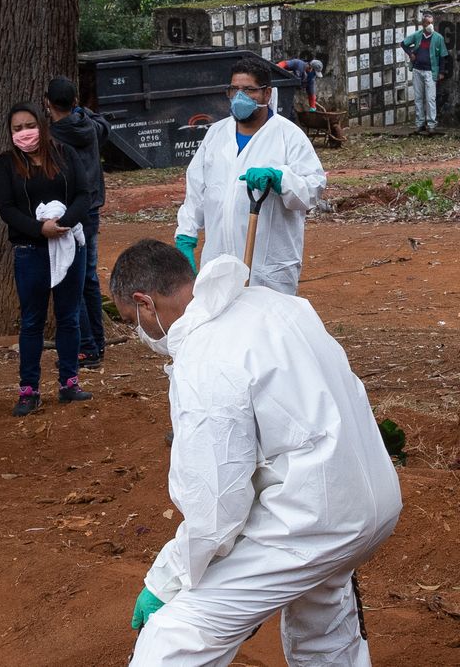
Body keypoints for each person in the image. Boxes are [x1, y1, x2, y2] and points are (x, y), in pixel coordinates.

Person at [110, 239, 402, 666]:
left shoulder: (206, 358)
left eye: (131, 319)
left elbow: (216, 509)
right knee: (322, 619)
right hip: (368, 499)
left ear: (145, 303)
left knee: (177, 635)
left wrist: (165, 578)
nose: (140, 332)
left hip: (312, 519)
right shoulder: (275, 305)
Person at [174, 56, 326, 295]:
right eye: (234, 89)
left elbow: (312, 190)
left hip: (268, 266)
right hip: (219, 259)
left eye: (249, 90)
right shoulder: (216, 135)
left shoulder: (288, 136)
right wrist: (186, 235)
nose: (240, 96)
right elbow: (197, 191)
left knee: (267, 328)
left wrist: (280, 179)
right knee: (220, 327)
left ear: (267, 94)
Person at [0, 102, 92, 417]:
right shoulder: (5, 164)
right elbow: (7, 209)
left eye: (29, 125)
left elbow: (83, 195)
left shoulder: (64, 154)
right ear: (10, 133)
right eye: (17, 128)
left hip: (68, 245)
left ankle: (69, 383)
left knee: (69, 316)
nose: (24, 133)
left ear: (42, 124)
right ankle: (29, 390)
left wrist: (63, 224)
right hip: (30, 251)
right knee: (32, 320)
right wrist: (39, 229)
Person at [46, 76, 109, 370]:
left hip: (72, 212)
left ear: (47, 104)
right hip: (93, 206)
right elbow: (103, 126)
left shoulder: (55, 135)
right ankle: (97, 341)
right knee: (89, 278)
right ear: (74, 102)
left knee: (73, 279)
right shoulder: (90, 126)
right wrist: (82, 111)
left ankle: (86, 347)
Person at [401, 12, 448, 135]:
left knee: (431, 98)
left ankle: (431, 124)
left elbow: (443, 56)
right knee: (418, 98)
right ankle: (420, 124)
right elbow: (404, 43)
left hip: (430, 72)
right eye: (428, 23)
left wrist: (441, 72)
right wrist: (410, 54)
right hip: (417, 70)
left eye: (432, 23)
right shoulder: (417, 35)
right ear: (423, 24)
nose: (430, 25)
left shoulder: (438, 38)